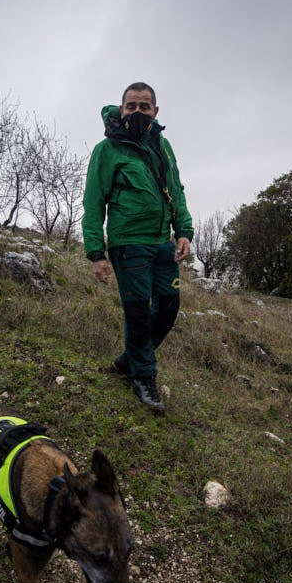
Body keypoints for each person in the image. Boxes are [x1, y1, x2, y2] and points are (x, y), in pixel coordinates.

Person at [82, 82, 194, 413]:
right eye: (131, 106)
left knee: (169, 307)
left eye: (144, 106)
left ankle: (126, 362)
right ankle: (144, 377)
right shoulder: (107, 150)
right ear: (121, 109)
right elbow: (93, 202)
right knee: (138, 314)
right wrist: (96, 253)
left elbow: (175, 187)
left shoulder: (164, 145)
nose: (137, 112)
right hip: (128, 245)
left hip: (163, 244)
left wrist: (184, 231)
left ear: (155, 112)